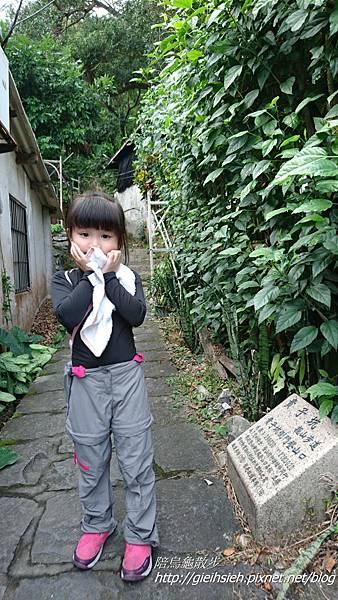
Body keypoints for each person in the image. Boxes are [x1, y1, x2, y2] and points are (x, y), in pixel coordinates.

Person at [51, 190, 159, 582]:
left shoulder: (128, 278)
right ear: (69, 236)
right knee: (90, 459)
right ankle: (97, 525)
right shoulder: (65, 281)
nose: (94, 244)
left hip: (126, 378)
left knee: (135, 457)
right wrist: (89, 276)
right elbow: (68, 316)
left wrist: (109, 277)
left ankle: (140, 535)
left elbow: (136, 315)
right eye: (85, 234)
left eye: (106, 236)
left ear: (120, 243)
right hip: (86, 383)